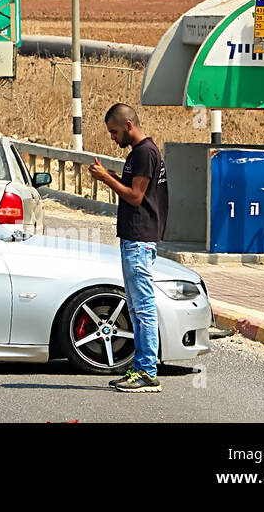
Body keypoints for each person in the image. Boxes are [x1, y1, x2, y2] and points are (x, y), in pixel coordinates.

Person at [89, 103, 169, 394]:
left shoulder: (145, 153)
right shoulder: (139, 153)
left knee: (143, 307)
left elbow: (136, 197)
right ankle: (140, 367)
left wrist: (105, 178)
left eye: (114, 131)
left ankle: (147, 371)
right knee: (135, 307)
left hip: (139, 239)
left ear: (129, 126)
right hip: (134, 238)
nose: (113, 137)